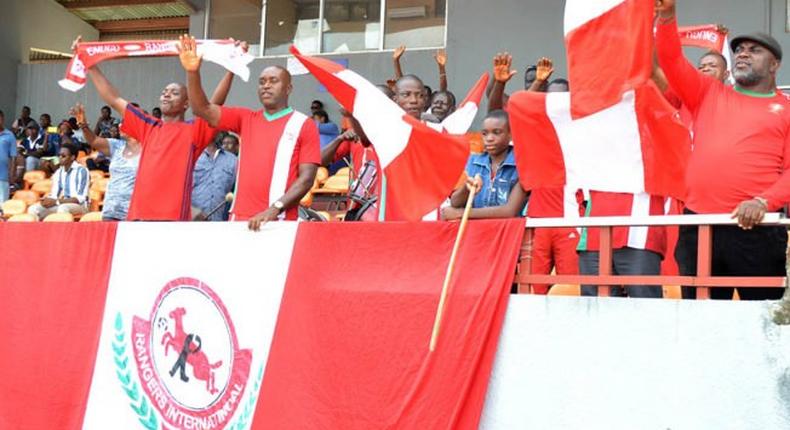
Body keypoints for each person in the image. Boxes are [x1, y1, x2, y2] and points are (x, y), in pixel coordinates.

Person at [656, 0, 790, 300]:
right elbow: (671, 61)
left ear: (775, 64)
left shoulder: (786, 110)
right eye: (739, 50)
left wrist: (763, 201)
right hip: (699, 225)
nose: (742, 54)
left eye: (754, 50)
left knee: (761, 319)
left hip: (756, 228)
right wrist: (667, 18)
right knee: (699, 317)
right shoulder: (708, 92)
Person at [78, 35, 238, 221]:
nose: (166, 95)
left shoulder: (194, 131)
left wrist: (230, 70)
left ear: (186, 104)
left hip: (172, 220)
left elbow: (214, 105)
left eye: (174, 93)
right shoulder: (148, 126)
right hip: (138, 218)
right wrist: (89, 64)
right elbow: (113, 98)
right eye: (164, 92)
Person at [179, 35, 320, 231]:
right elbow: (202, 109)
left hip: (278, 223)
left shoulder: (304, 124)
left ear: (288, 88)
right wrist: (192, 72)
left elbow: (306, 179)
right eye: (262, 82)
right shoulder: (245, 118)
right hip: (239, 220)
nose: (266, 85)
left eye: (273, 81)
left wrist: (274, 209)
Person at [442, 110, 528, 220]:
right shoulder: (473, 161)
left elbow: (509, 211)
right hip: (477, 232)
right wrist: (467, 188)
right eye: (484, 133)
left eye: (497, 132)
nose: (489, 138)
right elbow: (455, 202)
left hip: (508, 233)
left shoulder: (521, 164)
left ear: (511, 135)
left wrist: (462, 214)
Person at [73, 103, 140, 221]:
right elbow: (93, 140)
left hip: (134, 213)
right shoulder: (116, 145)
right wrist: (83, 125)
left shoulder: (148, 149)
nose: (120, 125)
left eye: (125, 122)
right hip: (111, 210)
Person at [27, 143, 89, 220]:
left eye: (63, 156)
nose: (60, 158)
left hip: (80, 206)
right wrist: (47, 200)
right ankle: (38, 232)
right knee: (33, 209)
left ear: (72, 157)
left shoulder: (82, 171)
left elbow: (80, 198)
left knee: (63, 208)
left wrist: (56, 202)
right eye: (59, 155)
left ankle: (62, 231)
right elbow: (54, 195)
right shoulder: (59, 172)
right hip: (61, 203)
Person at [191, 136, 237, 221]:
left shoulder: (233, 160)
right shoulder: (190, 155)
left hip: (219, 221)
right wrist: (194, 212)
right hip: (191, 221)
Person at [0, 110, 17, 202]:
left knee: (2, 204)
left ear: (3, 119)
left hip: (3, 175)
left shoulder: (10, 135)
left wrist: (12, 174)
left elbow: (13, 157)